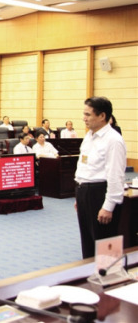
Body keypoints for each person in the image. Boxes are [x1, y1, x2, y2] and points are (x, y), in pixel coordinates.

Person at [74, 96, 126, 259]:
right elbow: (85, 166)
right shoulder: (90, 136)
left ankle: (110, 281)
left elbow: (116, 175)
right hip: (84, 192)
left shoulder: (113, 140)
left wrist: (109, 206)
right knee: (88, 242)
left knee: (105, 244)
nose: (84, 118)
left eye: (88, 114)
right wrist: (80, 196)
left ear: (102, 116)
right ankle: (91, 278)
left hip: (99, 194)